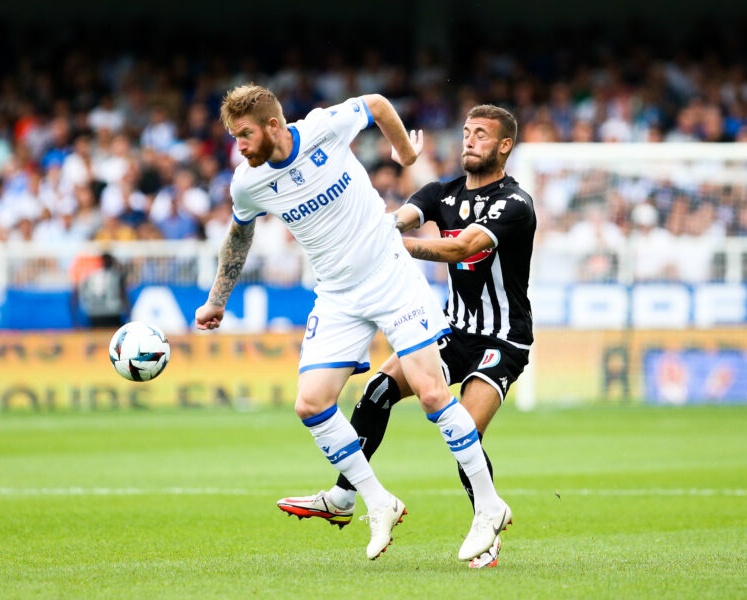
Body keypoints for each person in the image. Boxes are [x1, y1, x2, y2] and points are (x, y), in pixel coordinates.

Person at [195, 85, 510, 562]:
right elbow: (239, 237)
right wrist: (217, 301)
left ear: (273, 126)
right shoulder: (247, 183)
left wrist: (406, 154)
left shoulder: (323, 128)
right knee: (311, 403)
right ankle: (377, 501)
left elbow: (378, 104)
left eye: (244, 135)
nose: (238, 146)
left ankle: (489, 505)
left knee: (430, 392)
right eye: (234, 137)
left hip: (390, 274)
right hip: (338, 294)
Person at [277, 105, 535, 569]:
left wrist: (387, 243)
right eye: (466, 131)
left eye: (481, 134)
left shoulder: (514, 203)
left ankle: (487, 525)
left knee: (465, 427)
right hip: (453, 329)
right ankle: (343, 495)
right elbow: (394, 220)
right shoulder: (441, 193)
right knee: (378, 389)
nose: (469, 140)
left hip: (502, 340)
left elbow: (461, 247)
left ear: (504, 146)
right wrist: (372, 228)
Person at [74, 252, 128, 328]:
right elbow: (123, 295)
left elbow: (79, 293)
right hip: (112, 313)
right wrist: (128, 311)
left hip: (95, 313)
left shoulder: (90, 275)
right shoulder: (116, 275)